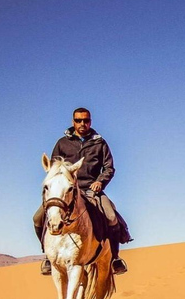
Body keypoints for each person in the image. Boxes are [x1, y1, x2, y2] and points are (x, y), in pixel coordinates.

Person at [33, 108, 131, 275]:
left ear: (90, 122)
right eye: (78, 121)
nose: (82, 124)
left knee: (111, 216)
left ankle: (114, 258)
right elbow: (53, 169)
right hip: (67, 192)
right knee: (37, 217)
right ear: (73, 122)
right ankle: (48, 257)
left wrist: (100, 182)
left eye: (85, 120)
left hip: (92, 190)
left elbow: (109, 168)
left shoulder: (100, 143)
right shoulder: (62, 143)